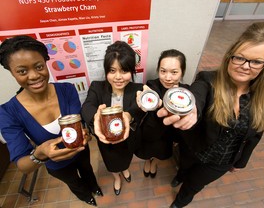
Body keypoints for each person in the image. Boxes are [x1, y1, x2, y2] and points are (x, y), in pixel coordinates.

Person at [157, 22, 264, 207]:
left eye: (256, 61)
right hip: (193, 148)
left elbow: (256, 135)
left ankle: (179, 203)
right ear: (229, 57)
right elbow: (197, 96)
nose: (245, 66)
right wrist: (190, 108)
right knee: (183, 169)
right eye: (239, 58)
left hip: (221, 162)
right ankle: (179, 176)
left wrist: (241, 162)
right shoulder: (207, 79)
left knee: (193, 185)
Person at [0, 35, 102, 207]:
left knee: (87, 170)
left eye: (39, 66)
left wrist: (86, 133)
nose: (33, 76)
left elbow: (79, 126)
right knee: (74, 182)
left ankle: (94, 187)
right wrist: (41, 153)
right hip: (57, 166)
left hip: (81, 152)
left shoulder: (67, 90)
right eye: (22, 71)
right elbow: (23, 165)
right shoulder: (8, 112)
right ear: (11, 72)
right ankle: (86, 196)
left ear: (46, 63)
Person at [81, 41, 144, 196]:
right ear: (106, 71)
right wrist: (96, 117)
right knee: (111, 163)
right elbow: (87, 107)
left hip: (129, 140)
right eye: (112, 70)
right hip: (106, 143)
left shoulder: (138, 89)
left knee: (125, 160)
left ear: (132, 71)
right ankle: (116, 177)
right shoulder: (97, 87)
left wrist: (129, 115)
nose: (118, 77)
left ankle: (125, 169)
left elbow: (140, 110)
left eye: (124, 71)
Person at [135, 49, 189, 178]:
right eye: (163, 71)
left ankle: (154, 164)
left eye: (174, 72)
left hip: (168, 135)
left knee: (161, 153)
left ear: (182, 73)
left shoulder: (185, 92)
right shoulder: (151, 86)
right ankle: (148, 161)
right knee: (148, 152)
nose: (168, 77)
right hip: (151, 130)